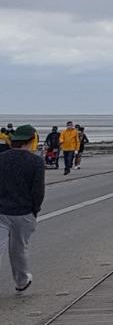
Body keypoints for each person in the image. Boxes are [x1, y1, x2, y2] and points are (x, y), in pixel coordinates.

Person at [0, 125, 44, 294]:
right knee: (18, 250)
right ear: (32, 140)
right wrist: (35, 210)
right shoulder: (36, 161)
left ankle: (22, 281)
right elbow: (38, 191)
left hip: (2, 210)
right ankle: (21, 281)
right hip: (24, 212)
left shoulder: (1, 158)